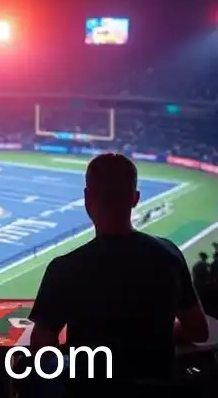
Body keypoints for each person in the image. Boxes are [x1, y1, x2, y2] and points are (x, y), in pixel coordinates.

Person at [28, 153, 208, 392]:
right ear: (135, 199)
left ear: (87, 199)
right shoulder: (169, 254)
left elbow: (41, 346)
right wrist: (155, 336)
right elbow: (199, 330)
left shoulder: (65, 268)